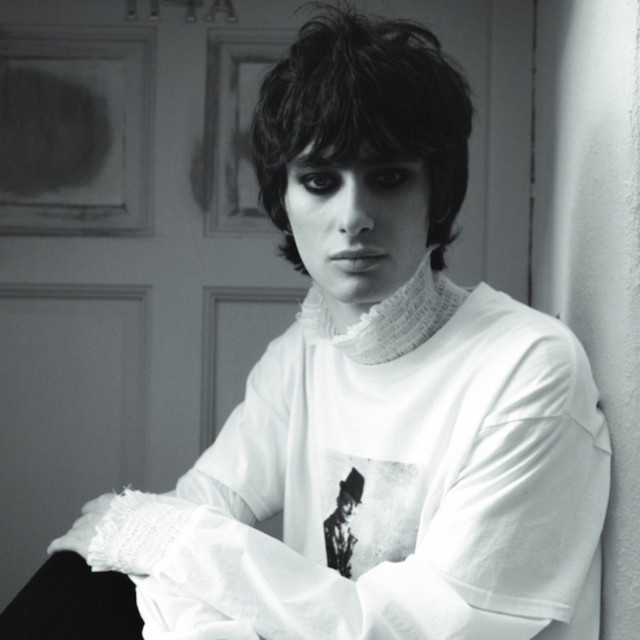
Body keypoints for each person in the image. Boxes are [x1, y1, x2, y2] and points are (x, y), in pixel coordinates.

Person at [0, 5, 611, 640]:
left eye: (388, 178)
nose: (353, 217)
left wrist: (172, 543)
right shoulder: (307, 351)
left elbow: (417, 630)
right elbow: (204, 503)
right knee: (94, 572)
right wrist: (159, 553)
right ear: (284, 200)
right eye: (320, 181)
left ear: (438, 192)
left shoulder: (529, 368)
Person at [324, 467, 365, 578]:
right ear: (338, 501)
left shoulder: (349, 538)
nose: (352, 511)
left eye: (356, 505)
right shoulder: (325, 531)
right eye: (347, 503)